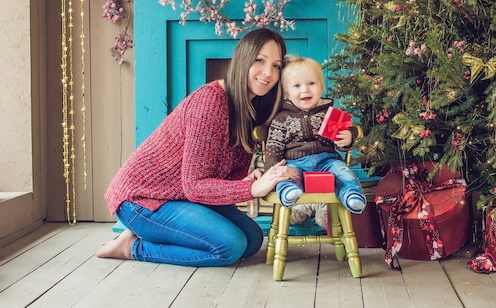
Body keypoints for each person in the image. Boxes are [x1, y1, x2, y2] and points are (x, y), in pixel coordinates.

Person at [96, 28, 299, 267]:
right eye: (259, 61)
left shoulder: (249, 109)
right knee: (229, 247)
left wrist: (245, 181)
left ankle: (152, 232)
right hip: (143, 199)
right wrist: (252, 189)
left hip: (182, 197)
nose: (268, 73)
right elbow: (194, 185)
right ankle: (132, 246)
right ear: (243, 60)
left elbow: (221, 175)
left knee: (253, 239)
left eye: (276, 66)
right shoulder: (211, 102)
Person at [264, 55, 366, 214]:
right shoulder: (282, 118)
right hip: (295, 163)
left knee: (342, 170)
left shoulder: (329, 113)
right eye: (297, 86)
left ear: (321, 88)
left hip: (327, 161)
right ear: (287, 93)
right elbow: (273, 146)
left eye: (311, 83)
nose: (305, 89)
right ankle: (288, 191)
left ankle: (351, 194)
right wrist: (273, 170)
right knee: (287, 173)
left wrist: (347, 138)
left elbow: (342, 139)